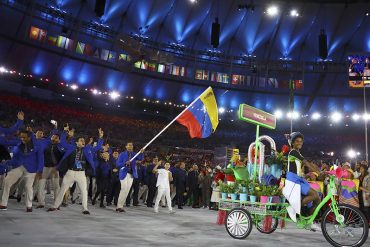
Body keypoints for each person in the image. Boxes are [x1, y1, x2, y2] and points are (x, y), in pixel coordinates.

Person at [47, 126, 104, 214]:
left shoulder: (87, 149)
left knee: (84, 191)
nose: (83, 142)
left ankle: (85, 208)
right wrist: (65, 132)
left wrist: (100, 137)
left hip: (81, 173)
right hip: (70, 172)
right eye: (81, 140)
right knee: (62, 189)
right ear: (77, 142)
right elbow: (62, 142)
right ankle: (55, 206)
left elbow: (98, 147)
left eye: (84, 141)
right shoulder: (71, 147)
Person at [283, 132, 321, 229]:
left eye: (301, 141)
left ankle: (310, 221)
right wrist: (318, 171)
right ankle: (293, 207)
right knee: (314, 195)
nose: (300, 143)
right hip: (293, 180)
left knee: (317, 200)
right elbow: (306, 163)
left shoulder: (298, 152)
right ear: (293, 143)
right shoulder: (293, 152)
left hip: (299, 180)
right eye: (297, 141)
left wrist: (321, 171)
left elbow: (309, 164)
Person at [0, 129, 44, 212]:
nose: (22, 139)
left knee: (28, 187)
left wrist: (40, 171)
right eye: (21, 137)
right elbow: (7, 145)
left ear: (30, 137)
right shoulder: (18, 143)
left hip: (31, 168)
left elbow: (41, 159)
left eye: (24, 137)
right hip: (18, 166)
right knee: (6, 181)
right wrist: (7, 162)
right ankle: (3, 204)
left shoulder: (37, 145)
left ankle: (29, 206)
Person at [115, 142, 144, 213]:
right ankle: (119, 206)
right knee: (124, 188)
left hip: (131, 174)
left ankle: (121, 206)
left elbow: (140, 158)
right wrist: (125, 163)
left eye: (132, 145)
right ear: (126, 146)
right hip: (123, 173)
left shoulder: (134, 154)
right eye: (129, 145)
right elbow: (117, 164)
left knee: (127, 190)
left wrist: (141, 152)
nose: (130, 146)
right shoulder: (122, 154)